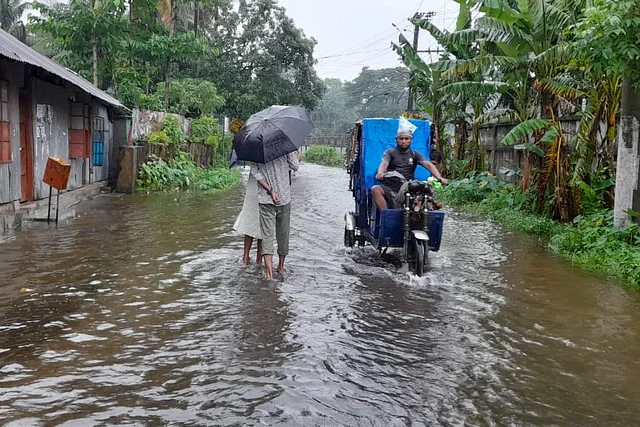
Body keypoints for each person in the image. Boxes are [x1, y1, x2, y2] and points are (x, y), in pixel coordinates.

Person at [371, 120, 448, 210]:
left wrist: (440, 178)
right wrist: (380, 173)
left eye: (406, 139)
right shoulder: (390, 153)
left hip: (409, 187)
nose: (403, 141)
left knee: (426, 192)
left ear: (411, 140)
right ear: (396, 139)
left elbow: (428, 164)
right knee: (375, 189)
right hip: (391, 187)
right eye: (401, 139)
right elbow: (384, 163)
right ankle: (386, 216)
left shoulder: (415, 154)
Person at [250, 151, 299, 280]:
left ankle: (269, 274)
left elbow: (255, 172)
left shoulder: (256, 148)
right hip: (284, 197)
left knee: (267, 236)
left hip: (265, 198)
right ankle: (281, 267)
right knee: (283, 233)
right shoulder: (285, 146)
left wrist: (270, 191)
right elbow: (295, 166)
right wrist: (295, 155)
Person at [233, 174, 263, 265]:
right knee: (264, 223)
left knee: (249, 220)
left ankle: (245, 257)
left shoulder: (254, 160)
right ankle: (259, 259)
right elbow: (294, 166)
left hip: (252, 187)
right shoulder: (274, 162)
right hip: (266, 188)